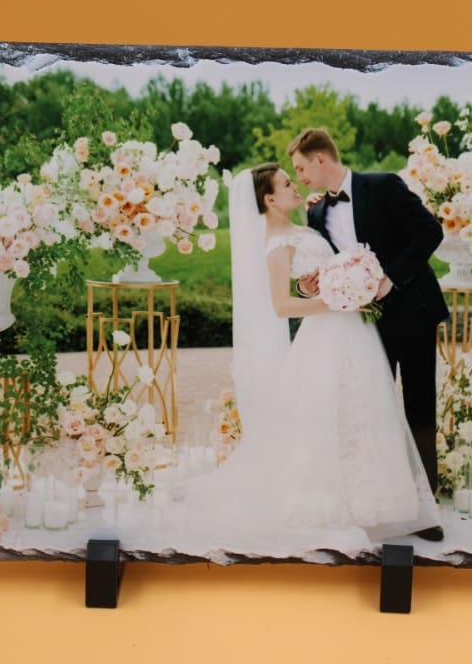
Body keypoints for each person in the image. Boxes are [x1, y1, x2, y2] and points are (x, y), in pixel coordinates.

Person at [173, 164, 440, 558]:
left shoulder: (308, 223)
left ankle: (378, 501)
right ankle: (336, 502)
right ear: (268, 199)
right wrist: (335, 300)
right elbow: (282, 306)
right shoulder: (276, 243)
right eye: (286, 183)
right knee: (330, 415)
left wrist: (332, 284)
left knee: (365, 410)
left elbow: (316, 272)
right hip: (327, 332)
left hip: (353, 331)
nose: (295, 185)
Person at [290, 128, 449, 541]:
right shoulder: (315, 214)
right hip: (362, 326)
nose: (301, 176)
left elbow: (429, 232)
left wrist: (390, 279)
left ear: (321, 159)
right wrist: (309, 286)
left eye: (301, 167)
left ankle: (426, 511)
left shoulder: (383, 185)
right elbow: (324, 266)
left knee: (419, 408)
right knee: (374, 413)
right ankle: (383, 502)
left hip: (412, 313)